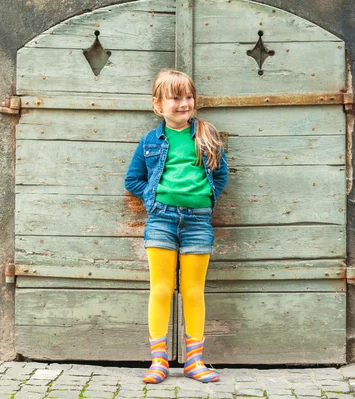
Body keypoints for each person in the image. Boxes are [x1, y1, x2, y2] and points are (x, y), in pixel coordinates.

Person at [124, 68, 228, 384]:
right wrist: (153, 200)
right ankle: (159, 360)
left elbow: (221, 175)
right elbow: (133, 178)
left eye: (188, 97)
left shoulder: (207, 136)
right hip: (161, 221)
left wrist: (207, 198)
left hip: (197, 222)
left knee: (194, 291)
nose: (183, 103)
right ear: (158, 105)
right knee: (161, 289)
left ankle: (194, 361)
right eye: (175, 98)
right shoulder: (150, 141)